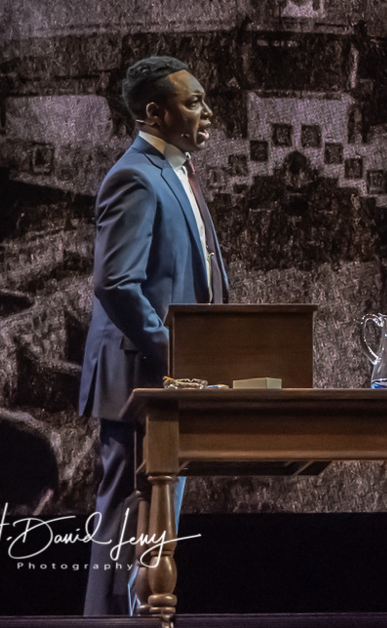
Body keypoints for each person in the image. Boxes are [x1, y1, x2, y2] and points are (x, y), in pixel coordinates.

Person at [78, 56, 228, 615]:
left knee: (153, 522)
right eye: (193, 102)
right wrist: (176, 353)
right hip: (141, 378)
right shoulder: (135, 175)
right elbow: (115, 284)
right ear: (154, 112)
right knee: (127, 520)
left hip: (167, 381)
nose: (207, 112)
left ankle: (144, 619)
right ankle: (108, 624)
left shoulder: (177, 170)